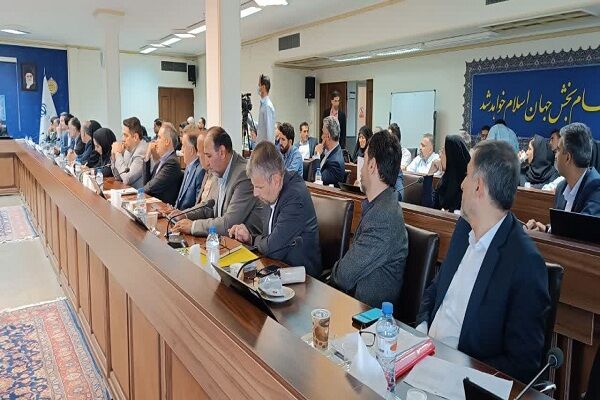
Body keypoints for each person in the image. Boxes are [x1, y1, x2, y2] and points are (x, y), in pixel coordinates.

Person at [417, 140, 550, 383]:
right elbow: (435, 290)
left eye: (466, 176)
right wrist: (422, 328)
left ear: (478, 185)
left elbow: (523, 364)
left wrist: (459, 369)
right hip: (424, 358)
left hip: (463, 381)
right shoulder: (463, 230)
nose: (461, 184)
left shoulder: (525, 263)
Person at [331, 131, 408, 308]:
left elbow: (344, 275)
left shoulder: (383, 218)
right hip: (353, 305)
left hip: (366, 316)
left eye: (365, 161)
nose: (362, 169)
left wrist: (332, 272)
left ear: (372, 165)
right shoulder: (381, 206)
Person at [228, 142, 322, 277]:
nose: (255, 193)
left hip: (303, 278)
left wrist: (253, 240)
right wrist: (249, 237)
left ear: (276, 180)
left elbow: (273, 248)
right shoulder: (271, 191)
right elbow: (269, 239)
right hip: (275, 269)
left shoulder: (295, 197)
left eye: (259, 187)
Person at [172, 127, 261, 236]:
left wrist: (193, 226)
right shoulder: (218, 170)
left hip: (245, 244)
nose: (207, 162)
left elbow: (229, 223)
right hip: (222, 241)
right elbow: (207, 207)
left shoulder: (244, 175)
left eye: (209, 156)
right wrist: (184, 215)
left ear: (222, 152)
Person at [526, 123, 600, 231]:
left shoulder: (596, 189)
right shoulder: (561, 187)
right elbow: (564, 228)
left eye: (558, 150)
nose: (555, 156)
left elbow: (582, 234)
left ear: (568, 158)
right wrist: (547, 230)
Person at [143, 122, 184, 205]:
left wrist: (136, 193)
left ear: (167, 142)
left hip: (162, 208)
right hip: (154, 205)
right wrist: (147, 156)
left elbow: (150, 188)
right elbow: (146, 183)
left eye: (159, 137)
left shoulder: (172, 163)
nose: (155, 141)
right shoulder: (161, 161)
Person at [429, 135, 471, 212]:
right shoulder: (445, 179)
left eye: (442, 152)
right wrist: (430, 173)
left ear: (451, 156)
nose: (439, 155)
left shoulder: (467, 183)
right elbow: (429, 206)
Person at [110, 117, 149, 189]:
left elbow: (127, 179)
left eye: (126, 135)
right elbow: (118, 176)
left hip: (141, 194)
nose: (123, 139)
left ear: (135, 137)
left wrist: (118, 154)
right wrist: (114, 156)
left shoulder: (142, 152)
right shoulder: (128, 151)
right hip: (130, 192)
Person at [174, 128, 205, 210]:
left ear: (191, 150)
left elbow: (197, 206)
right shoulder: (188, 166)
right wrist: (173, 210)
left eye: (183, 146)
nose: (181, 150)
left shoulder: (201, 171)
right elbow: (180, 199)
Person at [314, 116, 346, 186]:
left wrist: (317, 155)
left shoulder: (335, 162)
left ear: (328, 136)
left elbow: (317, 180)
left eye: (322, 133)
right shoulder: (330, 152)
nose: (321, 137)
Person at [257, 74, 275, 143]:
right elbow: (261, 127)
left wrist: (268, 148)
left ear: (263, 87)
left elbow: (269, 131)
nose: (258, 87)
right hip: (261, 145)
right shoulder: (263, 104)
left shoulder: (267, 106)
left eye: (259, 85)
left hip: (266, 147)